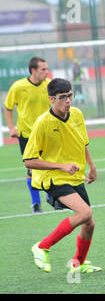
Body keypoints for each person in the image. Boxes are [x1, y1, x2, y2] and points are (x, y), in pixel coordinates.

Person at [23, 78, 102, 274]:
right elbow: (29, 161)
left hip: (74, 177)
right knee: (85, 213)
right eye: (62, 97)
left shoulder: (77, 114)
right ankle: (42, 246)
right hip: (53, 177)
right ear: (51, 99)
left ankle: (78, 263)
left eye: (70, 95)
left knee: (89, 223)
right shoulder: (43, 123)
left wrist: (92, 166)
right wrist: (62, 166)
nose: (68, 101)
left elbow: (82, 142)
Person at [3, 56, 59, 213]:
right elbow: (8, 107)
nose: (46, 72)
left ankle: (51, 198)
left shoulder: (49, 85)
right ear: (33, 70)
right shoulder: (18, 86)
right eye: (43, 69)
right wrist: (11, 127)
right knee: (33, 168)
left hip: (47, 133)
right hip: (27, 134)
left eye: (47, 69)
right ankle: (36, 203)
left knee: (50, 164)